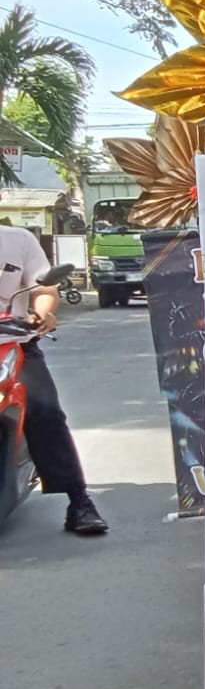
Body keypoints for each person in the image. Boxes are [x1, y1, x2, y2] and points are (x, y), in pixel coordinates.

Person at [0, 225, 105, 534]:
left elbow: (44, 289)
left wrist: (44, 312)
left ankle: (79, 502)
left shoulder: (18, 240)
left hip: (14, 345)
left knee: (45, 411)